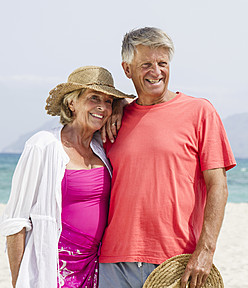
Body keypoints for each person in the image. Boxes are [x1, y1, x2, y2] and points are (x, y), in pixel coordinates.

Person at [98, 27, 236, 288]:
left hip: (173, 261)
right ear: (127, 69)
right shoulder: (112, 119)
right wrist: (118, 103)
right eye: (146, 64)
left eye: (162, 63)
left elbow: (218, 186)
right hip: (112, 262)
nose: (156, 72)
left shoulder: (200, 112)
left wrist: (206, 249)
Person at [0, 66, 134, 287]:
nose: (102, 107)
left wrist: (119, 105)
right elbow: (15, 222)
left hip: (96, 268)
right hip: (54, 267)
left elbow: (142, 103)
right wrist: (18, 281)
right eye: (94, 98)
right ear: (72, 103)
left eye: (108, 101)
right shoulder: (43, 145)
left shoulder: (102, 147)